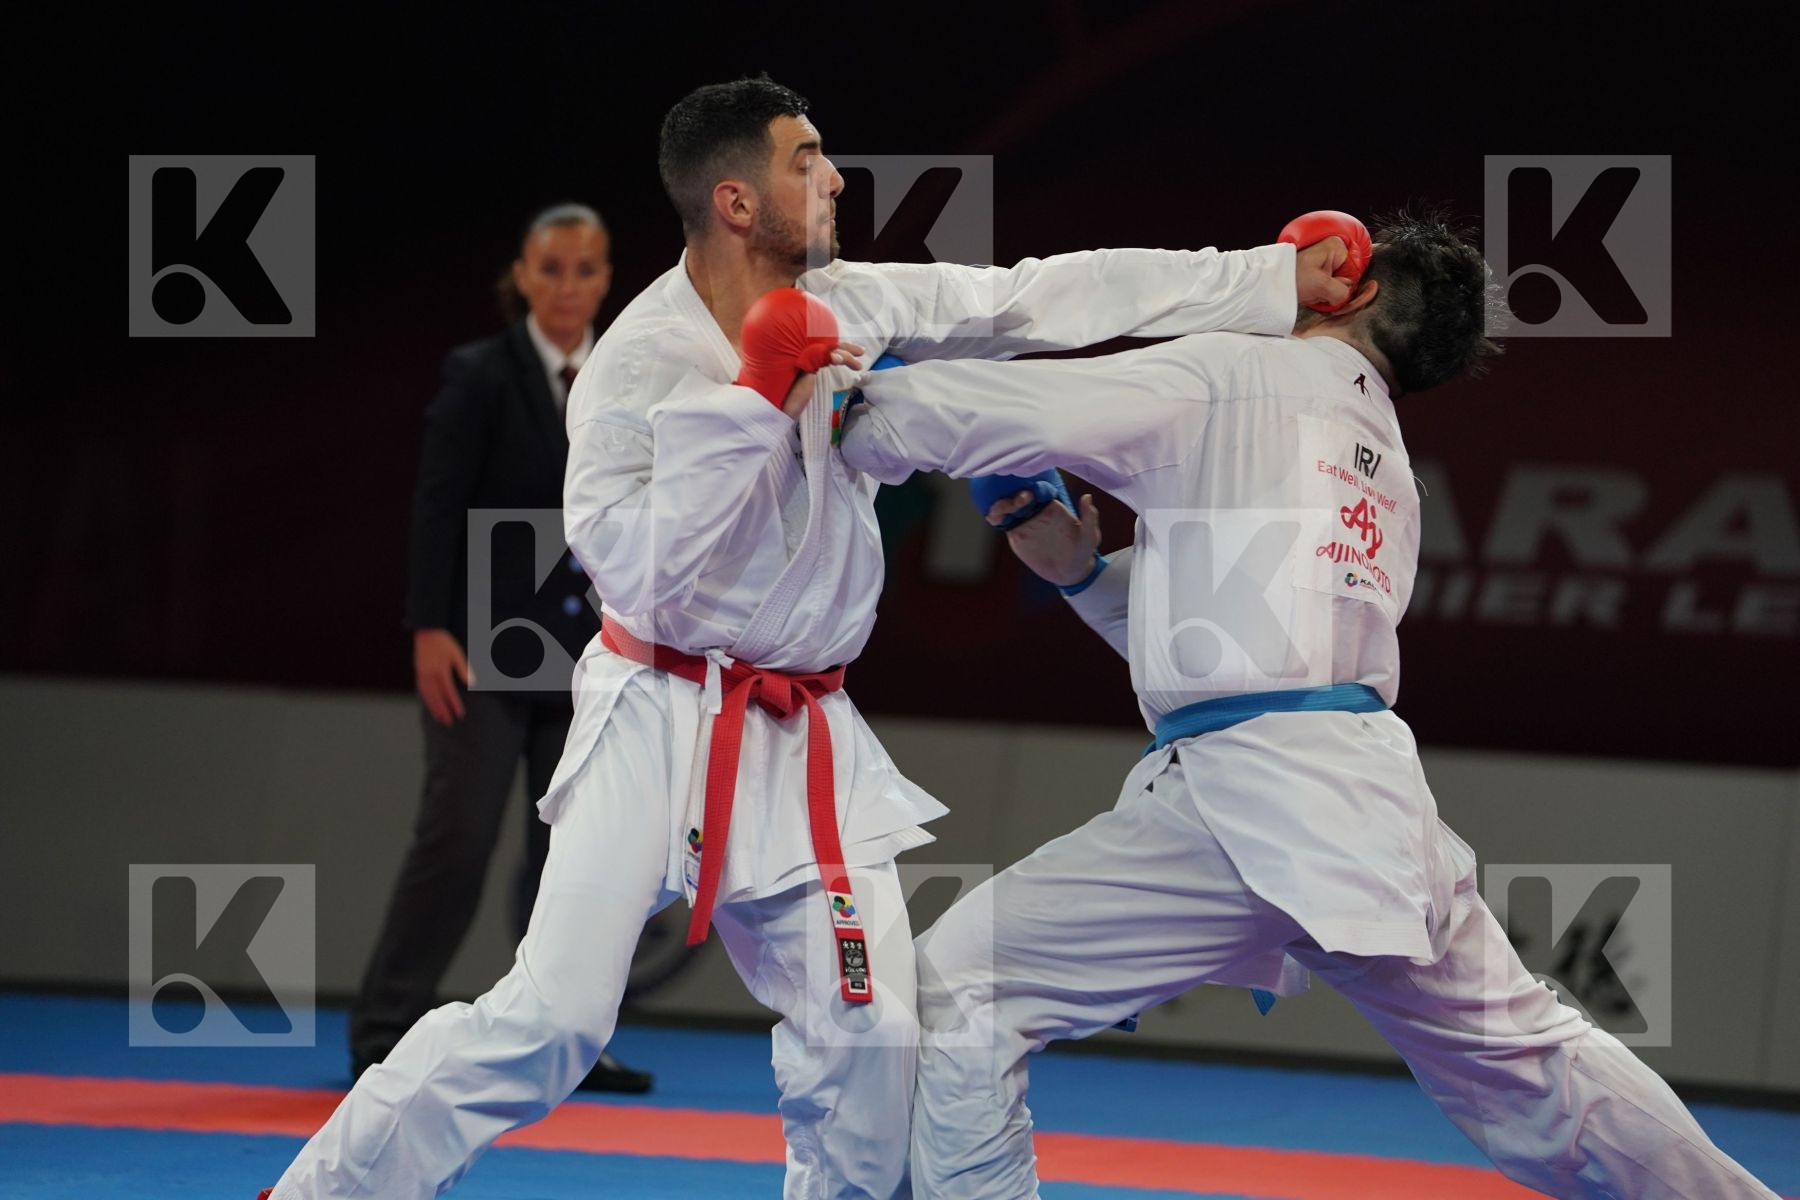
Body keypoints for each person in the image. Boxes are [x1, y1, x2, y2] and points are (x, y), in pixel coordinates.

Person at [261, 74, 1351, 1200]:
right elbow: (632, 570)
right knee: (549, 1024)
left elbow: (1036, 297)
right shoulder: (637, 365)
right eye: (807, 158)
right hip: (658, 710)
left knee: (871, 1038)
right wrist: (750, 402)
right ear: (736, 201)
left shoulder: (851, 303)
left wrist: (1266, 278)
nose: (835, 178)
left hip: (804, 727)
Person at [833, 209, 1780, 1199]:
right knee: (1536, 1066)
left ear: (1357, 286)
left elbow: (993, 413)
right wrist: (1080, 575)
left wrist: (848, 392)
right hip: (1357, 804)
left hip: (1242, 803)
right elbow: (1255, 651)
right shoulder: (1384, 466)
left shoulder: (1238, 373)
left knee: (958, 991)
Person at [353, 202, 650, 1094]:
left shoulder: (632, 377)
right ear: (521, 275)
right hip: (481, 647)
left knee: (577, 854)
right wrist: (429, 629)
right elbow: (436, 504)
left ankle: (567, 1040)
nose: (567, 287)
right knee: (459, 836)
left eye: (586, 270)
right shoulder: (479, 374)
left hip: (596, 647)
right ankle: (383, 1030)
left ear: (606, 279)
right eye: (551, 268)